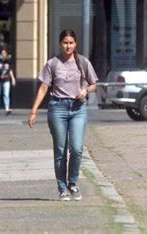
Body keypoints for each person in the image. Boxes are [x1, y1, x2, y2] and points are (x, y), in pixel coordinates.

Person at [27, 29, 98, 201]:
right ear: (60, 43)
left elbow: (94, 84)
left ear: (76, 44)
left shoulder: (82, 62)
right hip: (57, 108)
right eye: (65, 42)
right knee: (60, 150)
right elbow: (44, 87)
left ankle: (73, 182)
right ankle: (62, 188)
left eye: (71, 43)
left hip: (78, 108)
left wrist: (85, 91)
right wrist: (33, 111)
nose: (68, 46)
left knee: (77, 148)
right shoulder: (52, 63)